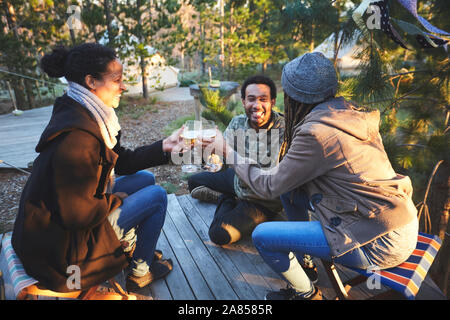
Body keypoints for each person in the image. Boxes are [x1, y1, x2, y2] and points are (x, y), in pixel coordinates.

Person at [209, 52, 418, 300]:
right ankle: (305, 261)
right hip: (399, 223)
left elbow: (267, 187)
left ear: (292, 97)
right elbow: (285, 183)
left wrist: (226, 151)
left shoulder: (315, 133)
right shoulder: (349, 115)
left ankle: (306, 293)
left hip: (377, 244)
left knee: (262, 237)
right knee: (290, 190)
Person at [11, 43, 185, 293]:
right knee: (157, 197)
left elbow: (119, 160)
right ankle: (139, 273)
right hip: (63, 256)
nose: (123, 86)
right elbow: (77, 215)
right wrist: (114, 200)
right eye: (116, 80)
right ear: (91, 81)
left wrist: (164, 147)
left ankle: (135, 250)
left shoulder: (84, 111)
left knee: (144, 180)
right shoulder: (76, 139)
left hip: (63, 230)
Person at [188, 75, 285, 246]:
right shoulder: (237, 122)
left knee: (219, 234)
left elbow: (269, 179)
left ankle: (225, 199)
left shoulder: (284, 129)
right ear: (243, 101)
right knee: (193, 181)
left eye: (263, 99)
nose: (257, 105)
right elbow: (223, 160)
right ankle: (230, 194)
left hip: (262, 199)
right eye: (251, 99)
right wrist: (213, 156)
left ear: (273, 102)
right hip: (238, 181)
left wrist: (225, 152)